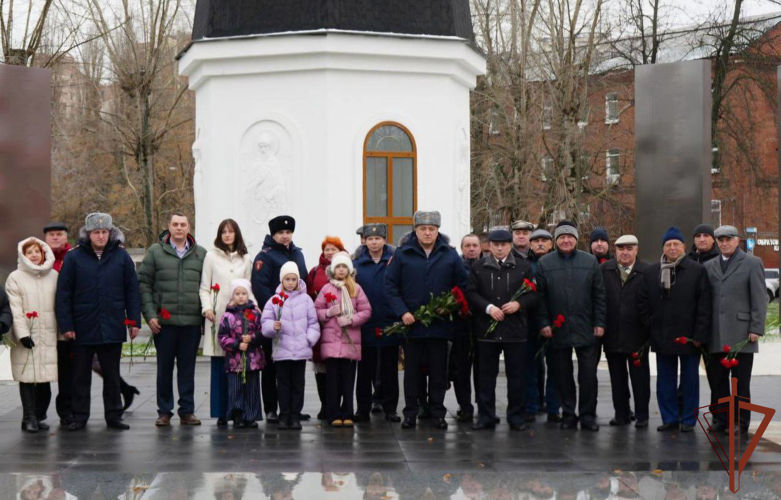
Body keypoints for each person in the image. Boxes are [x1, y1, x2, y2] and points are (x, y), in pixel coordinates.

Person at [45, 222, 140, 422]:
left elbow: (131, 291)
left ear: (110, 233)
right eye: (96, 232)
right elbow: (64, 294)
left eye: (104, 232)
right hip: (82, 327)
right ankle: (79, 417)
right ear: (89, 234)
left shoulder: (121, 256)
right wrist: (67, 326)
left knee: (112, 375)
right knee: (80, 377)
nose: (101, 236)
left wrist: (134, 321)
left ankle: (114, 415)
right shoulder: (74, 257)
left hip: (112, 324)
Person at [385, 210, 468, 430]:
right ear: (416, 230)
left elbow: (463, 285)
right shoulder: (403, 254)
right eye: (423, 229)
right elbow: (390, 286)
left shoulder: (450, 255)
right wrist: (402, 312)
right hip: (412, 325)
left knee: (439, 373)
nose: (427, 233)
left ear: (438, 230)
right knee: (411, 374)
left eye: (432, 229)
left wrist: (450, 304)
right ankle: (410, 413)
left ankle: (437, 412)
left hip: (440, 326)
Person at [536, 220, 606, 431]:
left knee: (588, 377)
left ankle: (587, 416)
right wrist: (544, 323)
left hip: (586, 327)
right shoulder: (545, 264)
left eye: (570, 237)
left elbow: (599, 295)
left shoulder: (590, 261)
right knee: (562, 375)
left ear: (576, 239)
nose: (566, 240)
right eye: (562, 237)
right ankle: (568, 414)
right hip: (558, 330)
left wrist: (600, 322)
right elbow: (540, 298)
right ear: (556, 240)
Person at [138, 212, 206, 427]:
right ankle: (164, 411)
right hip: (163, 324)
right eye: (175, 224)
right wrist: (149, 315)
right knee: (164, 369)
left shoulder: (200, 254)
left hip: (191, 323)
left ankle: (187, 410)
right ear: (169, 226)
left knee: (187, 369)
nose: (179, 228)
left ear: (189, 227)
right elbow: (144, 285)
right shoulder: (155, 252)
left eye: (182, 224)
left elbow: (206, 287)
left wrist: (204, 318)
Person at [641, 226, 711, 433]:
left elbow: (704, 305)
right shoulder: (652, 271)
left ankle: (688, 419)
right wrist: (651, 324)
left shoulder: (697, 271)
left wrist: (699, 335)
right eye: (668, 244)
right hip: (661, 335)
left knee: (690, 381)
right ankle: (669, 418)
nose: (672, 248)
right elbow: (643, 302)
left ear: (683, 247)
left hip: (688, 338)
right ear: (663, 247)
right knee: (665, 382)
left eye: (676, 244)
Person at [466, 229, 537, 431]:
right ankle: (486, 416)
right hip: (487, 331)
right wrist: (488, 308)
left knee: (517, 377)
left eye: (503, 244)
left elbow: (533, 294)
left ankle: (516, 417)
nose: (499, 248)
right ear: (489, 246)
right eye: (495, 245)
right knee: (485, 377)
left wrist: (518, 305)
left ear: (509, 245)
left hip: (516, 331)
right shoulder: (479, 267)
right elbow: (470, 293)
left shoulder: (523, 266)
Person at [705, 225, 767, 434]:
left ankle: (741, 422)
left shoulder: (751, 263)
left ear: (737, 240)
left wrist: (756, 327)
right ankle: (722, 420)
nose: (724, 243)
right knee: (718, 381)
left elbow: (759, 298)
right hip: (715, 334)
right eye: (720, 240)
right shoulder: (709, 265)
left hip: (742, 333)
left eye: (728, 239)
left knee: (740, 383)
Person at [251, 215, 308, 423]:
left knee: (293, 368)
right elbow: (260, 287)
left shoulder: (297, 254)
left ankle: (292, 408)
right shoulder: (264, 257)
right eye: (281, 233)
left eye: (288, 232)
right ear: (273, 235)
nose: (285, 236)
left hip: (296, 322)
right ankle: (271, 408)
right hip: (276, 320)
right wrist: (278, 310)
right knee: (271, 366)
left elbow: (303, 283)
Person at [199, 219, 254, 426]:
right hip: (218, 317)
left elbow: (249, 289)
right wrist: (207, 308)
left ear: (236, 234)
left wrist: (253, 310)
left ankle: (239, 410)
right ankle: (222, 411)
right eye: (224, 232)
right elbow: (205, 286)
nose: (227, 235)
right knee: (220, 367)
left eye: (231, 231)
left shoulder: (245, 258)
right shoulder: (211, 257)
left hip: (240, 319)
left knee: (240, 367)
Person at [5, 238, 59, 433]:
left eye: (38, 251)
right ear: (23, 255)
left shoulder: (54, 275)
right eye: (30, 252)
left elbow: (59, 305)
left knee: (45, 378)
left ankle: (39, 414)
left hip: (49, 335)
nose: (35, 255)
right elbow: (15, 308)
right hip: (27, 336)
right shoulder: (15, 277)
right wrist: (23, 334)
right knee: (28, 377)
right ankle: (28, 417)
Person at [261, 262, 320, 430]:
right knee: (283, 384)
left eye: (294, 279)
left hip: (300, 351)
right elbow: (265, 322)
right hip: (282, 350)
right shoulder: (274, 300)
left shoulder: (306, 299)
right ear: (282, 280)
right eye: (287, 279)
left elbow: (313, 323)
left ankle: (295, 415)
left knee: (298, 384)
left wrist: (309, 340)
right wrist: (273, 327)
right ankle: (284, 415)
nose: (290, 282)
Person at [315, 252, 372, 427]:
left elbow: (366, 310)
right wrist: (327, 313)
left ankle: (347, 412)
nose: (341, 270)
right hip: (331, 343)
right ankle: (333, 413)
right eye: (338, 267)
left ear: (349, 270)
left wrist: (351, 319)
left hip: (350, 343)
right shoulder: (326, 289)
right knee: (332, 381)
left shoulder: (356, 288)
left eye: (344, 267)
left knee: (348, 380)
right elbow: (316, 310)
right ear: (333, 270)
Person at [600, 235, 651, 428]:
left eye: (629, 248)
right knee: (617, 378)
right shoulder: (605, 270)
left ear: (637, 250)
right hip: (612, 333)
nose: (625, 252)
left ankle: (642, 415)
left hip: (638, 335)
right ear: (615, 250)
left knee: (640, 379)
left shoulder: (646, 271)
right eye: (621, 249)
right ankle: (621, 413)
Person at [354, 224, 402, 422]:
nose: (374, 242)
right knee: (365, 370)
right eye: (370, 238)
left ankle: (391, 408)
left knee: (390, 369)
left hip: (389, 321)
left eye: (378, 238)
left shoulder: (394, 262)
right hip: (365, 323)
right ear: (364, 240)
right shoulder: (356, 264)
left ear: (384, 240)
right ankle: (363, 409)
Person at [306, 236, 346, 419]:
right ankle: (325, 404)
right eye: (326, 249)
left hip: (342, 327)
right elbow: (308, 296)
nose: (329, 252)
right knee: (320, 367)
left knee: (339, 368)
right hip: (321, 325)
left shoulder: (347, 269)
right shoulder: (314, 271)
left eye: (333, 249)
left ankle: (338, 405)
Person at [218, 279, 265, 428]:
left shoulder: (255, 313)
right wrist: (237, 344)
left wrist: (252, 338)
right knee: (235, 388)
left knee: (251, 389)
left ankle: (250, 416)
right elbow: (222, 337)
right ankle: (237, 415)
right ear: (232, 296)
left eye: (243, 293)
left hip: (252, 360)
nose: (240, 297)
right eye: (237, 294)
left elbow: (262, 332)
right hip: (235, 361)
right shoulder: (227, 316)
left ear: (248, 295)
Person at [526, 229, 560, 422]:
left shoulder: (558, 263)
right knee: (529, 367)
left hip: (555, 323)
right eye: (536, 240)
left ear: (551, 244)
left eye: (544, 241)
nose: (540, 244)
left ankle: (553, 407)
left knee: (555, 367)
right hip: (530, 323)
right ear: (530, 244)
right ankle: (531, 406)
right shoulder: (524, 264)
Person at [450, 233, 481, 422]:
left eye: (475, 245)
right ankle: (465, 405)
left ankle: (483, 404)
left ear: (480, 248)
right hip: (460, 325)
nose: (471, 249)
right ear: (462, 248)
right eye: (467, 245)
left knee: (482, 369)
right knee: (461, 369)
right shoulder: (456, 267)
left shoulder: (488, 266)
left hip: (482, 324)